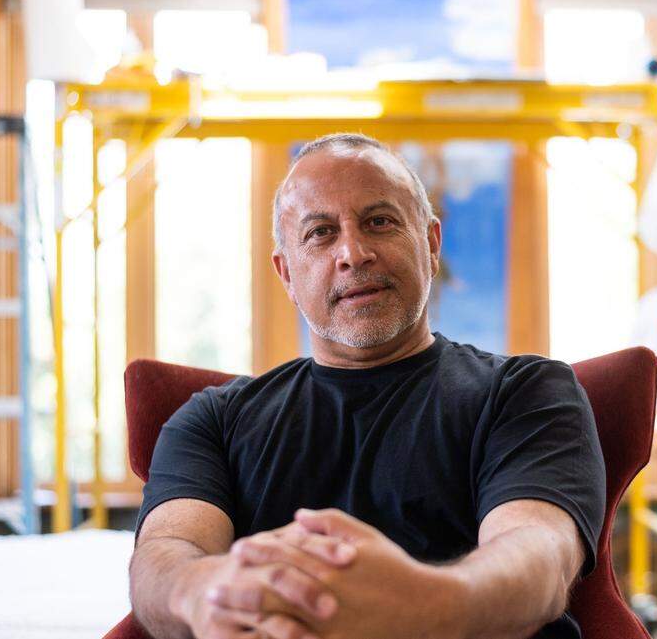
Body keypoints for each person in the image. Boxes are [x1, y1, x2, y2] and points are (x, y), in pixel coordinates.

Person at [128, 133, 606, 639]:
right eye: (320, 233)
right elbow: (164, 556)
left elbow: (539, 556)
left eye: (379, 222)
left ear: (431, 243)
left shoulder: (526, 392)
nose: (353, 253)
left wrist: (423, 607)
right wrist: (206, 593)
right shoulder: (213, 421)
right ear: (286, 274)